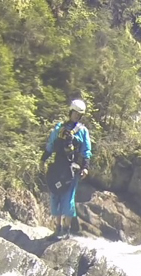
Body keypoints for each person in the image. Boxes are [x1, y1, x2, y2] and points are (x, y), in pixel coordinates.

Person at [40, 99, 92, 239]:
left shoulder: (82, 131)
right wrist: (43, 159)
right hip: (57, 167)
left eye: (79, 115)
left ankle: (66, 229)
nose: (77, 116)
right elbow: (51, 145)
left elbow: (86, 150)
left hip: (71, 169)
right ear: (70, 112)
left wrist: (85, 167)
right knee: (55, 196)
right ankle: (57, 229)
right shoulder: (59, 128)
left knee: (68, 198)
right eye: (75, 113)